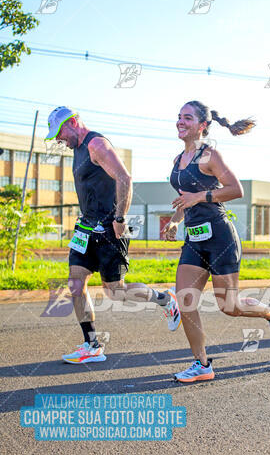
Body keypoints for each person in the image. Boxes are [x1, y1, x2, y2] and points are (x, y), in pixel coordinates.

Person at [162, 100, 270, 383]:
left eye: (187, 118)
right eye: (179, 117)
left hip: (220, 237)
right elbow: (185, 200)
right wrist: (174, 220)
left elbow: (236, 189)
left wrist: (200, 197)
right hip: (194, 239)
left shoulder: (210, 156)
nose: (180, 122)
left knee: (229, 306)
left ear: (202, 126)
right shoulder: (177, 160)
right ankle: (202, 364)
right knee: (185, 300)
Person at [44, 106, 181, 364]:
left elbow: (124, 178)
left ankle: (166, 299)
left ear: (73, 122)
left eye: (60, 132)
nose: (59, 139)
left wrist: (120, 217)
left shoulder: (96, 144)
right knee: (76, 285)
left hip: (110, 228)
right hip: (86, 228)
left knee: (115, 291)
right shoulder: (77, 150)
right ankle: (92, 345)